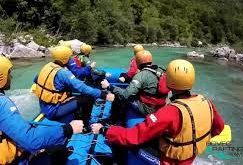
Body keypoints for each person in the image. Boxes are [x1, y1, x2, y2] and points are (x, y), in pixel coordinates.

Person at [92, 59, 225, 165]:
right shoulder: (206, 102)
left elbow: (133, 137)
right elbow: (218, 128)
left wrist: (105, 130)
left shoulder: (170, 112)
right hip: (190, 157)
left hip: (168, 161)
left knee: (123, 143)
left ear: (168, 81)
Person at [0, 56, 84, 165]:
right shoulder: (0, 102)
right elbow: (31, 141)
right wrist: (68, 129)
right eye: (8, 73)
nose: (11, 76)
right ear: (0, 77)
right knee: (60, 151)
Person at [32, 46, 115, 124]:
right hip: (54, 110)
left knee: (67, 91)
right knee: (88, 98)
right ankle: (85, 124)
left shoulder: (47, 66)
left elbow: (36, 80)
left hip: (44, 106)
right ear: (65, 59)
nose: (71, 58)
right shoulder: (63, 73)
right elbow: (82, 87)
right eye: (69, 57)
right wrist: (103, 94)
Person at [101, 50, 170, 121]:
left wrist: (109, 86)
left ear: (137, 62)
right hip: (159, 108)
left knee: (118, 97)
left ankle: (113, 121)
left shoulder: (141, 75)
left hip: (147, 110)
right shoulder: (158, 72)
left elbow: (125, 95)